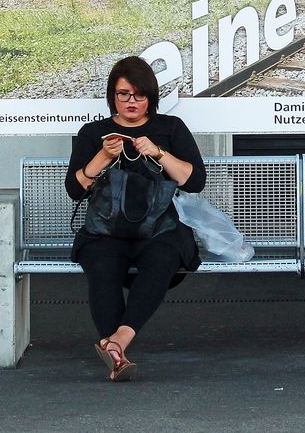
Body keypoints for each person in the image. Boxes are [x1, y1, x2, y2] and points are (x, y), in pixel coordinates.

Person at [65, 56, 206, 381]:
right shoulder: (94, 133)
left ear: (150, 98)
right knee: (101, 263)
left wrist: (159, 153)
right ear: (112, 96)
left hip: (159, 228)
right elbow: (74, 189)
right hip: (106, 229)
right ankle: (117, 349)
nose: (131, 102)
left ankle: (117, 341)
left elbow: (195, 181)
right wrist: (102, 156)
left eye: (139, 95)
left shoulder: (169, 128)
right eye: (123, 94)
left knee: (163, 258)